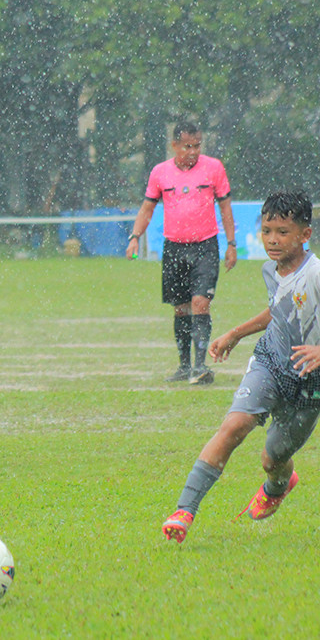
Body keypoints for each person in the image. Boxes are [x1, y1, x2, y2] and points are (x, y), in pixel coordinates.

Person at [162, 191, 320, 543]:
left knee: (273, 457)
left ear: (304, 235)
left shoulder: (315, 274)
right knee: (234, 425)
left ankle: (278, 485)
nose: (272, 240)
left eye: (282, 232)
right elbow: (279, 310)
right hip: (270, 363)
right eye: (267, 231)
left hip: (310, 384)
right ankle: (184, 511)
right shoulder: (273, 270)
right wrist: (235, 333)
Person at [126, 121, 237, 385]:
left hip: (205, 246)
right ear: (174, 145)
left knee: (201, 303)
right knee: (180, 308)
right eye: (187, 146)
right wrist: (134, 237)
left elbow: (226, 207)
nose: (193, 151)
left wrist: (231, 244)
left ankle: (200, 366)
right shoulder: (159, 173)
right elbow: (147, 209)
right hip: (174, 248)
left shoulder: (214, 168)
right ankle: (184, 366)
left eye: (197, 145)